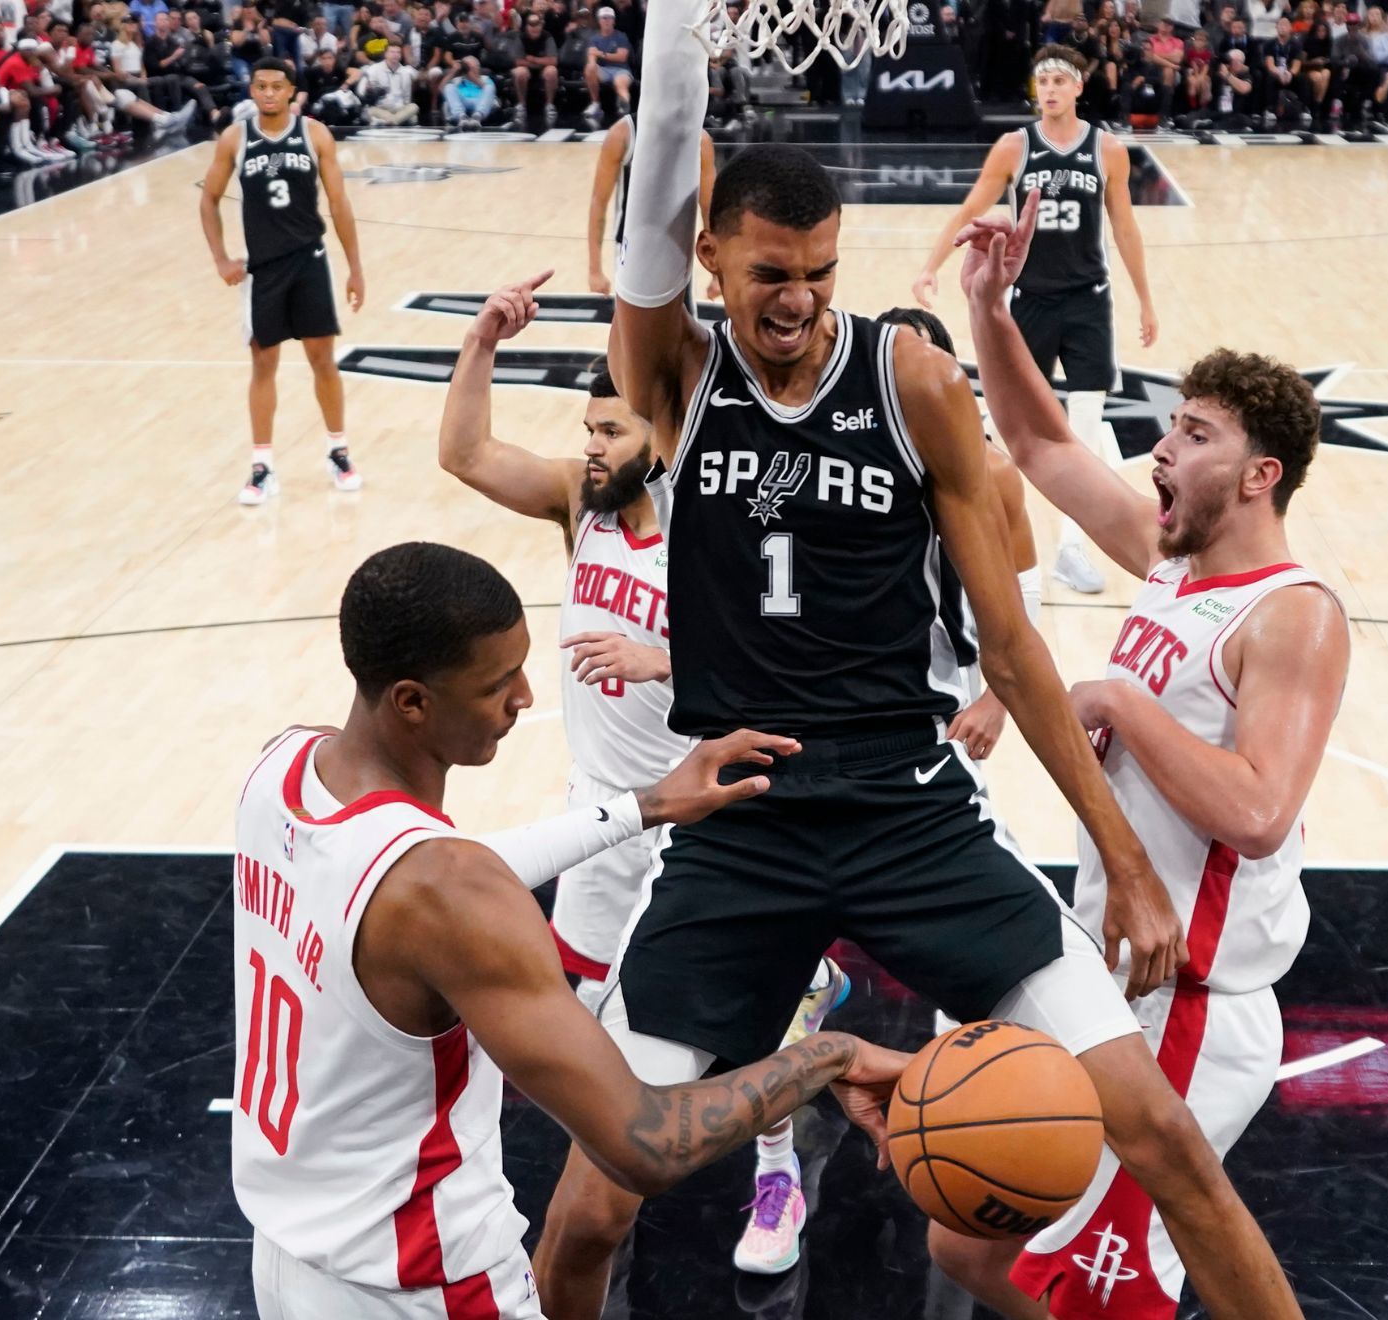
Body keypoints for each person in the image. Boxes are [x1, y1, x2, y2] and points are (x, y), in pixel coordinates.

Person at [529, 4, 1302, 1315]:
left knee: (1164, 1139)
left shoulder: (911, 384)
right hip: (739, 820)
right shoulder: (670, 372)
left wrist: (1124, 863)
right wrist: (673, 27)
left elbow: (1008, 645)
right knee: (594, 1204)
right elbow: (664, 143)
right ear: (707, 258)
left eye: (821, 272)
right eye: (770, 274)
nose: (798, 302)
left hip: (908, 807)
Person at [232, 540, 908, 1318]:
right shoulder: (448, 894)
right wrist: (828, 1055)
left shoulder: (281, 770)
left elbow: (437, 870)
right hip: (423, 1285)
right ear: (413, 701)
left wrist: (642, 806)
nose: (524, 696)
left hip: (286, 1261)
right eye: (495, 684)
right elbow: (645, 1143)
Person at [934, 166, 1350, 1320]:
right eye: (1171, 424)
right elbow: (1038, 442)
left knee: (1091, 1287)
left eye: (1196, 434)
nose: (1163, 450)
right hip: (1117, 972)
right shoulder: (1171, 562)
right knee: (968, 1245)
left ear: (1259, 476)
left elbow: (1261, 809)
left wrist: (1121, 700)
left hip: (1198, 999)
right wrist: (989, 305)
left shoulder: (1294, 613)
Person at [436, 276, 852, 1277]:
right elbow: (465, 454)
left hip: (709, 824)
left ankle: (776, 1170)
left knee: (725, 1038)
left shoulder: (730, 529)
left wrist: (672, 659)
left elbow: (809, 672)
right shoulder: (582, 506)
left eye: (611, 432)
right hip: (604, 813)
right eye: (586, 428)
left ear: (662, 437)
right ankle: (813, 982)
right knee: (577, 1024)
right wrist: (482, 343)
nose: (590, 448)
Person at [912, 44, 1159, 598]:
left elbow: (1124, 229)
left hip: (1088, 300)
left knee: (1087, 426)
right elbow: (971, 208)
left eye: (1058, 80)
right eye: (1041, 80)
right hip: (1028, 299)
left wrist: (1144, 300)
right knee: (1005, 426)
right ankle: (976, 524)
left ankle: (1072, 548)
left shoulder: (1108, 149)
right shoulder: (1014, 147)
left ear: (1077, 88)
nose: (1048, 89)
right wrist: (931, 267)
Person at [874, 303, 1042, 765]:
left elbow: (1023, 585)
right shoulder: (845, 460)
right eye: (893, 359)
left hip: (947, 679)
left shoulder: (991, 470)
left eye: (923, 356)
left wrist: (998, 700)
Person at [198, 58, 365, 507]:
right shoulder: (235, 138)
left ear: (292, 91)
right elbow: (208, 199)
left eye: (277, 86)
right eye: (261, 86)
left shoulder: (314, 134)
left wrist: (355, 268)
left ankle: (339, 451)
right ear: (251, 90)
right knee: (263, 364)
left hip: (309, 260)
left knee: (322, 360)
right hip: (263, 269)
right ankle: (262, 466)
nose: (269, 93)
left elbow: (340, 203)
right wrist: (220, 259)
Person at [586, 114, 716, 300]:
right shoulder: (624, 133)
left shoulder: (699, 140)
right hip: (632, 249)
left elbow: (708, 206)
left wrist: (717, 273)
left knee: (675, 325)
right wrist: (595, 271)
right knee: (632, 326)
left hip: (677, 251)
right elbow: (598, 202)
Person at [581, 2, 630, 123]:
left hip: (621, 70)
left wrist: (601, 54)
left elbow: (622, 57)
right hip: (603, 71)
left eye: (610, 18)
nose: (607, 20)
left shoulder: (621, 36)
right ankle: (595, 104)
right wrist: (593, 60)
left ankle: (624, 106)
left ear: (613, 21)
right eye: (604, 18)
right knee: (589, 67)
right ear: (599, 21)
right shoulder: (593, 38)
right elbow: (591, 57)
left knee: (621, 84)